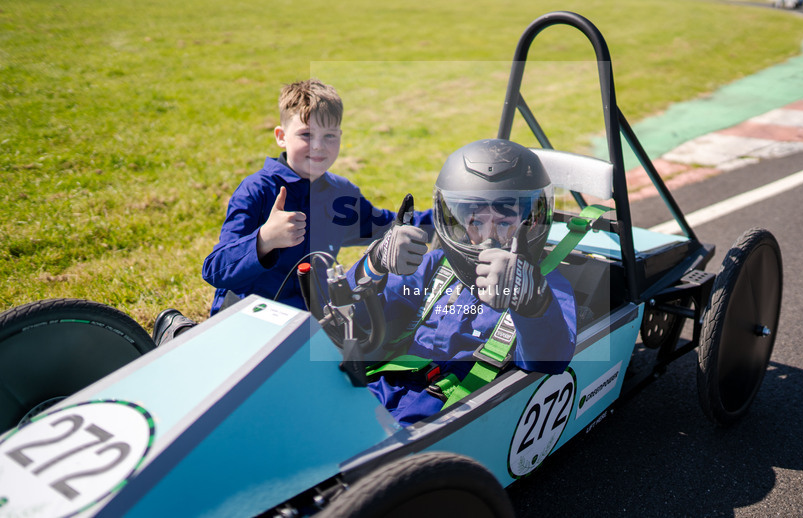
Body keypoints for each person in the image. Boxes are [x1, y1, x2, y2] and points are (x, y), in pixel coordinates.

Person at [153, 79, 432, 344]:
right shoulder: (257, 190)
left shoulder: (340, 194)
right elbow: (214, 269)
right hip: (247, 324)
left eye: (329, 136)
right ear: (280, 137)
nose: (319, 146)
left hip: (308, 326)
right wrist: (264, 240)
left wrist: (451, 219)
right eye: (306, 135)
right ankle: (180, 333)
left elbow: (386, 226)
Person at [347, 139, 577, 427]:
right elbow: (356, 317)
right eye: (476, 223)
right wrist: (374, 264)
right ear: (457, 222)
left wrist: (532, 304)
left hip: (456, 412)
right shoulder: (435, 264)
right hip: (386, 386)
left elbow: (551, 360)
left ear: (529, 225)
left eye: (505, 223)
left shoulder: (548, 286)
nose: (488, 238)